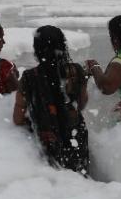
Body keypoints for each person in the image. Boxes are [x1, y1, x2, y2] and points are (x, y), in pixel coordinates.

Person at [13, 26, 89, 174]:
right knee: (80, 177)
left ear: (37, 49)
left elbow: (17, 119)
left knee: (55, 180)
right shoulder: (76, 71)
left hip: (47, 138)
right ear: (63, 45)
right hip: (75, 134)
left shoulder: (29, 77)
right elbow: (82, 103)